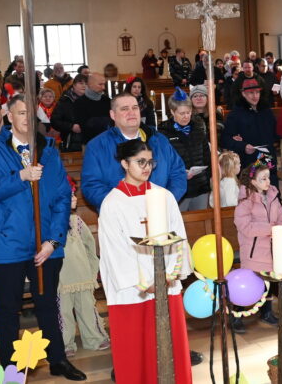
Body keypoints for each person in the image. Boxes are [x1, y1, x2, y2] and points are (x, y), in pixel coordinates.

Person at [0, 94, 85, 380]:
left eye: (30, 113)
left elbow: (62, 196)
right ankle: (11, 369)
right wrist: (21, 177)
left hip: (45, 243)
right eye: (21, 113)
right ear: (9, 117)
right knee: (8, 309)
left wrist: (53, 240)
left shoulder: (47, 147)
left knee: (47, 304)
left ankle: (58, 359)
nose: (27, 118)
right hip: (7, 243)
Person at [97, 139, 193, 384]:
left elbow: (178, 237)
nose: (147, 167)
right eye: (140, 162)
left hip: (166, 284)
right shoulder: (113, 203)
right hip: (133, 291)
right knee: (137, 351)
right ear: (124, 164)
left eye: (150, 162)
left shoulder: (164, 196)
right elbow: (114, 251)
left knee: (170, 345)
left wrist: (169, 275)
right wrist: (146, 282)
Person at [80, 92, 187, 211]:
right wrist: (123, 207)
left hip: (158, 211)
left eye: (135, 108)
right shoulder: (97, 146)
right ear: (113, 115)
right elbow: (92, 186)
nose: (131, 112)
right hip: (119, 214)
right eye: (125, 109)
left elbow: (178, 173)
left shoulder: (159, 141)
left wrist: (165, 201)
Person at [58, 180, 110, 357]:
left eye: (74, 194)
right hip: (61, 279)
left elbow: (89, 247)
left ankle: (94, 338)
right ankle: (65, 343)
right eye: (70, 195)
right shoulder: (48, 224)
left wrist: (92, 270)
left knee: (88, 308)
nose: (75, 198)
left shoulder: (77, 222)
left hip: (82, 276)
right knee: (63, 312)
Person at [234, 158, 282, 325]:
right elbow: (245, 226)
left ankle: (266, 312)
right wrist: (270, 228)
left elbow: (281, 217)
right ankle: (238, 314)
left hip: (271, 248)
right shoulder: (246, 199)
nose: (268, 181)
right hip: (253, 249)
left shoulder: (272, 196)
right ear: (253, 181)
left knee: (267, 282)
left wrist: (279, 229)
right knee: (249, 281)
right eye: (263, 179)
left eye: (268, 177)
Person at [221, 79, 278, 186]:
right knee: (250, 191)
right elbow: (226, 139)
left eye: (257, 92)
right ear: (243, 93)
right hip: (248, 162)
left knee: (271, 189)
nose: (255, 96)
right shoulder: (235, 114)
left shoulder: (266, 111)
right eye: (251, 93)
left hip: (267, 158)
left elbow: (276, 133)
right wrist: (243, 146)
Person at [158, 97, 212, 211]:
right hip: (178, 188)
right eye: (182, 113)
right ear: (172, 112)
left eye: (188, 112)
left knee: (201, 219)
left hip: (200, 187)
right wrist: (179, 173)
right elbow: (162, 163)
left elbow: (207, 157)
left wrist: (207, 180)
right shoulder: (163, 133)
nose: (186, 116)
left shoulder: (198, 129)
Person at [51, 74, 88, 152]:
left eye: (86, 83)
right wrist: (71, 127)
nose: (84, 86)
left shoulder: (92, 100)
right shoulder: (64, 101)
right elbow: (54, 121)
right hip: (70, 142)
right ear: (74, 85)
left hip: (90, 141)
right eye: (81, 83)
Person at [74, 73, 112, 142]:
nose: (103, 87)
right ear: (90, 84)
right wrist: (105, 121)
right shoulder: (79, 102)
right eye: (100, 84)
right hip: (90, 142)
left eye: (104, 84)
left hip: (108, 140)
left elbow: (113, 120)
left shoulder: (106, 100)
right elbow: (84, 125)